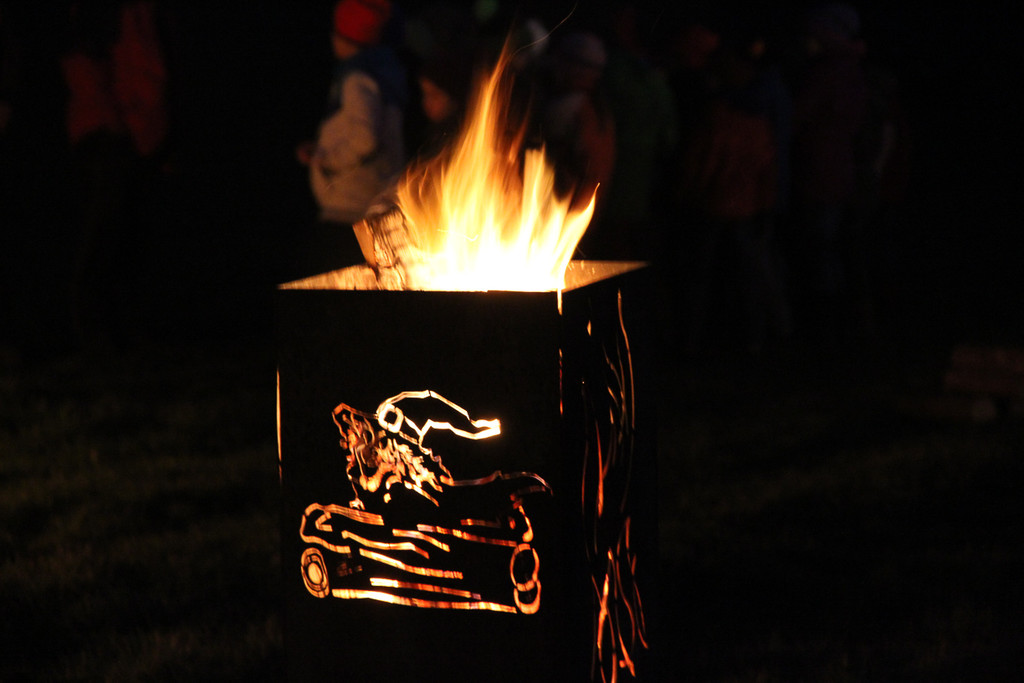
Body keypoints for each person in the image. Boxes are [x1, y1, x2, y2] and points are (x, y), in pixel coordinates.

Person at [294, 0, 407, 276]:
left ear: (346, 38)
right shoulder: (380, 73)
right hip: (365, 201)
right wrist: (321, 149)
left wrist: (327, 160)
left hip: (350, 206)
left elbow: (365, 137)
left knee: (342, 279)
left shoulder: (358, 80)